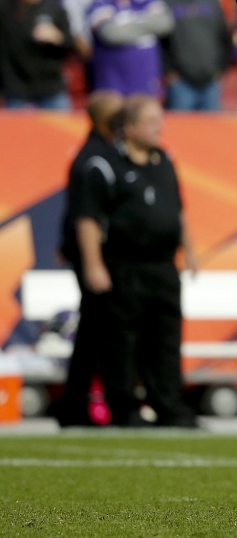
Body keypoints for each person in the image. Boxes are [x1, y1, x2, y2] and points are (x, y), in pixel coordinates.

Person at [77, 95, 198, 427]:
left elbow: (177, 209)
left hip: (162, 264)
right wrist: (93, 264)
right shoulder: (104, 166)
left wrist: (188, 248)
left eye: (160, 120)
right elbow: (88, 219)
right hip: (124, 263)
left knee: (166, 339)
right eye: (150, 121)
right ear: (128, 128)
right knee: (123, 341)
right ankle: (125, 408)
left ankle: (170, 406)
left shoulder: (165, 162)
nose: (158, 128)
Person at [55, 91, 123, 427]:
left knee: (93, 333)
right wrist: (90, 259)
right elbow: (84, 214)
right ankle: (88, 405)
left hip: (91, 253)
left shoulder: (100, 153)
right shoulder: (94, 157)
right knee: (99, 331)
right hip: (93, 255)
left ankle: (74, 406)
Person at [159, 0, 233, 111]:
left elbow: (223, 35)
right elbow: (159, 41)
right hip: (180, 80)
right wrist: (169, 72)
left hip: (210, 79)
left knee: (210, 133)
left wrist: (221, 69)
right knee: (182, 133)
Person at [86, 0, 174, 97]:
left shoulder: (145, 1)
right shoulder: (99, 4)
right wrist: (146, 25)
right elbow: (111, 34)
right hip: (113, 87)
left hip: (146, 84)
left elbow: (165, 24)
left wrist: (127, 25)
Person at [0, 0, 74, 109]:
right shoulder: (5, 6)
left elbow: (71, 46)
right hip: (17, 90)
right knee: (19, 133)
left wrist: (58, 38)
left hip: (52, 88)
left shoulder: (54, 7)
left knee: (60, 131)